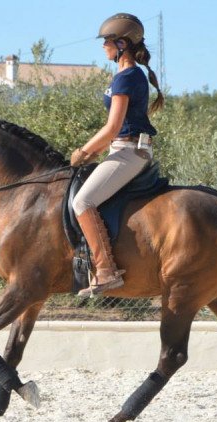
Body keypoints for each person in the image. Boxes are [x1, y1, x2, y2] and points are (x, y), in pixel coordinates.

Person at [71, 13, 164, 297]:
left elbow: (112, 128)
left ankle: (106, 270)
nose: (103, 47)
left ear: (122, 44)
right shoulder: (127, 76)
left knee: (82, 201)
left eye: (107, 42)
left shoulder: (127, 76)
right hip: (125, 149)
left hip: (127, 151)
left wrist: (84, 152)